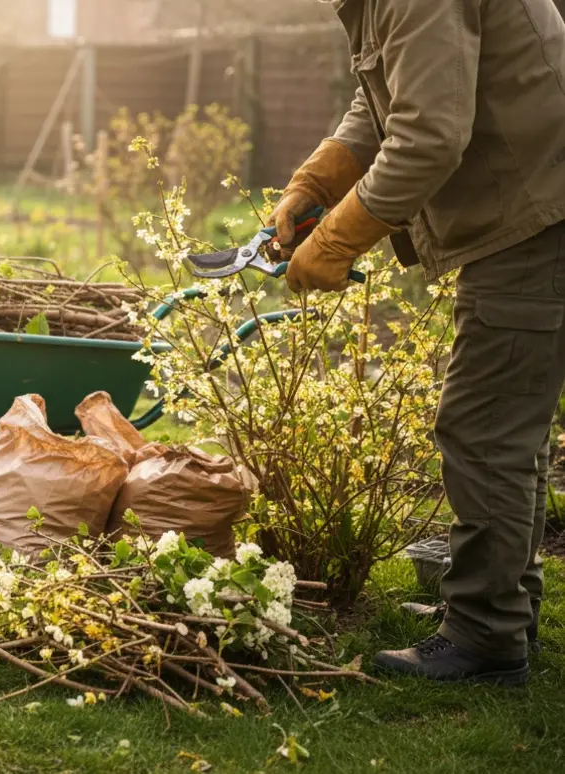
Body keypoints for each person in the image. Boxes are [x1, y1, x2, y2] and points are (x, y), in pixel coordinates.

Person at [271, 0, 565, 685]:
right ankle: (498, 610)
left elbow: (428, 133)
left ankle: (485, 636)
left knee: (484, 429)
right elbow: (386, 100)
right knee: (506, 430)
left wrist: (338, 239)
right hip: (538, 207)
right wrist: (315, 182)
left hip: (540, 215)